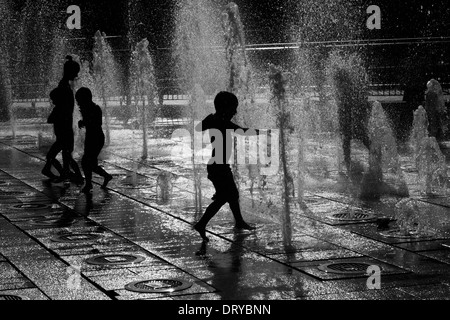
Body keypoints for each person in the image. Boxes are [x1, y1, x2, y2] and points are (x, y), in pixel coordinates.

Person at [193, 91, 258, 242]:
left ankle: (239, 221)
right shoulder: (222, 122)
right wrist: (262, 132)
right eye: (233, 108)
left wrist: (210, 118)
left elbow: (199, 127)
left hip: (218, 165)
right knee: (224, 197)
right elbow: (242, 131)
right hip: (218, 167)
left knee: (233, 195)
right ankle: (201, 224)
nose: (235, 111)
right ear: (225, 108)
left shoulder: (215, 119)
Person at [42, 55, 83, 184]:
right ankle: (69, 173)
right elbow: (62, 107)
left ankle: (60, 171)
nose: (77, 75)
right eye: (76, 72)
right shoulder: (64, 86)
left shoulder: (65, 85)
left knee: (64, 151)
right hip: (64, 125)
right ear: (70, 71)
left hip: (64, 124)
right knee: (64, 150)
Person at [75, 87, 112, 194]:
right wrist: (83, 122)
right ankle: (105, 176)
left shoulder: (95, 108)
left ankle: (89, 183)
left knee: (86, 161)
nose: (78, 103)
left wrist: (84, 122)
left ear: (85, 98)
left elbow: (97, 123)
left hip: (96, 138)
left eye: (79, 100)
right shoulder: (88, 108)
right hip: (91, 137)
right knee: (90, 163)